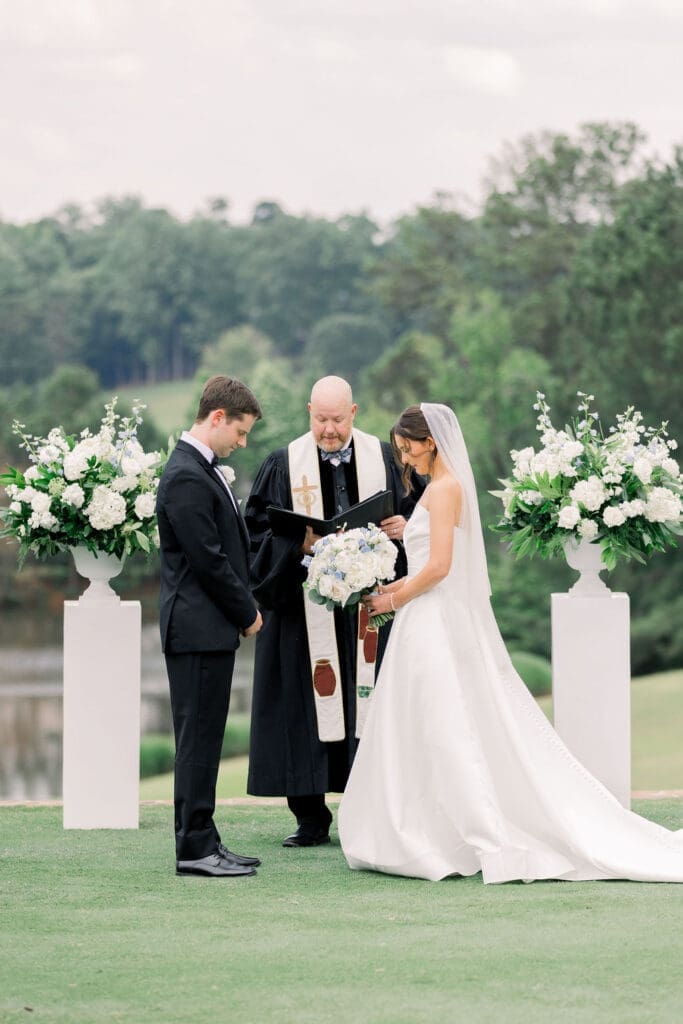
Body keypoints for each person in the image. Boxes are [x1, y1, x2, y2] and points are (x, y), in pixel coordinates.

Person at [338, 403, 683, 883]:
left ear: (430, 442)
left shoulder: (444, 489)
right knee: (422, 722)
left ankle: (464, 832)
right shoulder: (440, 488)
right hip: (425, 615)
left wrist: (389, 600)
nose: (405, 458)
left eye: (407, 448)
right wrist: (384, 593)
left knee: (445, 726)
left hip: (431, 619)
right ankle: (425, 827)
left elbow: (438, 569)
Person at [244, 376, 424, 847]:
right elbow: (255, 536)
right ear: (308, 411)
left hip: (374, 611)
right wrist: (298, 543)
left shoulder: (387, 458)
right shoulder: (283, 465)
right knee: (304, 705)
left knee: (373, 702)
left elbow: (426, 509)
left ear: (354, 412)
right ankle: (310, 817)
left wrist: (409, 525)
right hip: (306, 612)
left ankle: (375, 810)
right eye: (320, 419)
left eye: (337, 419)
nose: (328, 430)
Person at [157, 375, 264, 878]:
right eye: (240, 432)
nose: (242, 444)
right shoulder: (185, 476)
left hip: (207, 630)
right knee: (197, 741)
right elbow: (209, 560)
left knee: (206, 739)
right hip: (197, 629)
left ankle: (206, 838)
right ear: (217, 417)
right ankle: (194, 849)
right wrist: (247, 612)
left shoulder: (202, 470)